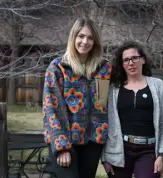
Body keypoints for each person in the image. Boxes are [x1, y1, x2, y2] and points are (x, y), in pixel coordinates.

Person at [42, 18, 111, 178]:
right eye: (81, 36)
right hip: (65, 141)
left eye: (90, 38)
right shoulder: (58, 68)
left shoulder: (104, 69)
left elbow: (102, 104)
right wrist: (62, 147)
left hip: (93, 143)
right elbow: (51, 109)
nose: (85, 41)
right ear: (73, 37)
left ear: (95, 42)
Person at [101, 41, 163, 178]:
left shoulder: (158, 86)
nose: (131, 63)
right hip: (119, 150)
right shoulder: (113, 89)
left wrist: (161, 154)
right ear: (122, 64)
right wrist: (104, 157)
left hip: (148, 151)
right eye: (126, 60)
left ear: (143, 60)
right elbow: (104, 122)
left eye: (135, 58)